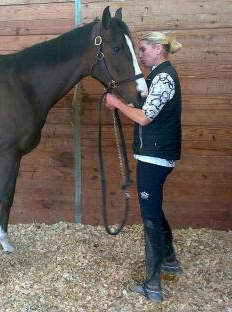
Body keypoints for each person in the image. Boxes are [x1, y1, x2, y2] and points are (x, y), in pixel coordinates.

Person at [104, 32, 183, 303]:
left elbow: (144, 117)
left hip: (155, 157)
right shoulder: (158, 76)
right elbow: (145, 105)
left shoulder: (163, 78)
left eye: (143, 49)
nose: (140, 55)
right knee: (155, 210)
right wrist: (124, 102)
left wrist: (116, 103)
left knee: (149, 217)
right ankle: (170, 261)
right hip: (155, 155)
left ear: (159, 49)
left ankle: (153, 285)